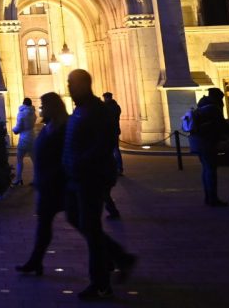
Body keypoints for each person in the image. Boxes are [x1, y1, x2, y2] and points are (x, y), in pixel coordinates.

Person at [62, 69, 136, 301]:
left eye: (72, 83)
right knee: (76, 218)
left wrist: (82, 162)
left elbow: (104, 143)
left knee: (91, 228)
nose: (69, 87)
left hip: (91, 178)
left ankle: (101, 283)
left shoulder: (96, 110)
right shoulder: (82, 109)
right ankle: (120, 257)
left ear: (84, 85)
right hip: (78, 177)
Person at [15, 92, 69, 276]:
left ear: (52, 108)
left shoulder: (61, 127)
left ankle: (118, 256)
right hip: (49, 185)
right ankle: (35, 261)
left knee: (85, 226)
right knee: (44, 225)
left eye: (43, 106)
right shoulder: (50, 125)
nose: (41, 109)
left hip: (57, 186)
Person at [192, 87, 229, 206]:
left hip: (199, 141)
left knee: (206, 170)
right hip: (208, 142)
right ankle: (213, 199)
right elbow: (222, 125)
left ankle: (208, 197)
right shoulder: (213, 108)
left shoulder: (201, 107)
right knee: (211, 170)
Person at [12, 97, 36, 185]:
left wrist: (14, 130)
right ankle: (35, 179)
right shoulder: (33, 113)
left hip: (23, 139)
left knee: (19, 160)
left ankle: (18, 179)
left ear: (23, 103)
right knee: (34, 160)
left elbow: (18, 128)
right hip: (32, 137)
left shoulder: (21, 114)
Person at [103, 92, 124, 175]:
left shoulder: (106, 107)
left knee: (112, 150)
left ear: (107, 98)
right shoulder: (116, 107)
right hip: (114, 131)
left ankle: (115, 168)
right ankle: (118, 168)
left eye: (105, 98)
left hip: (109, 132)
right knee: (115, 150)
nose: (105, 99)